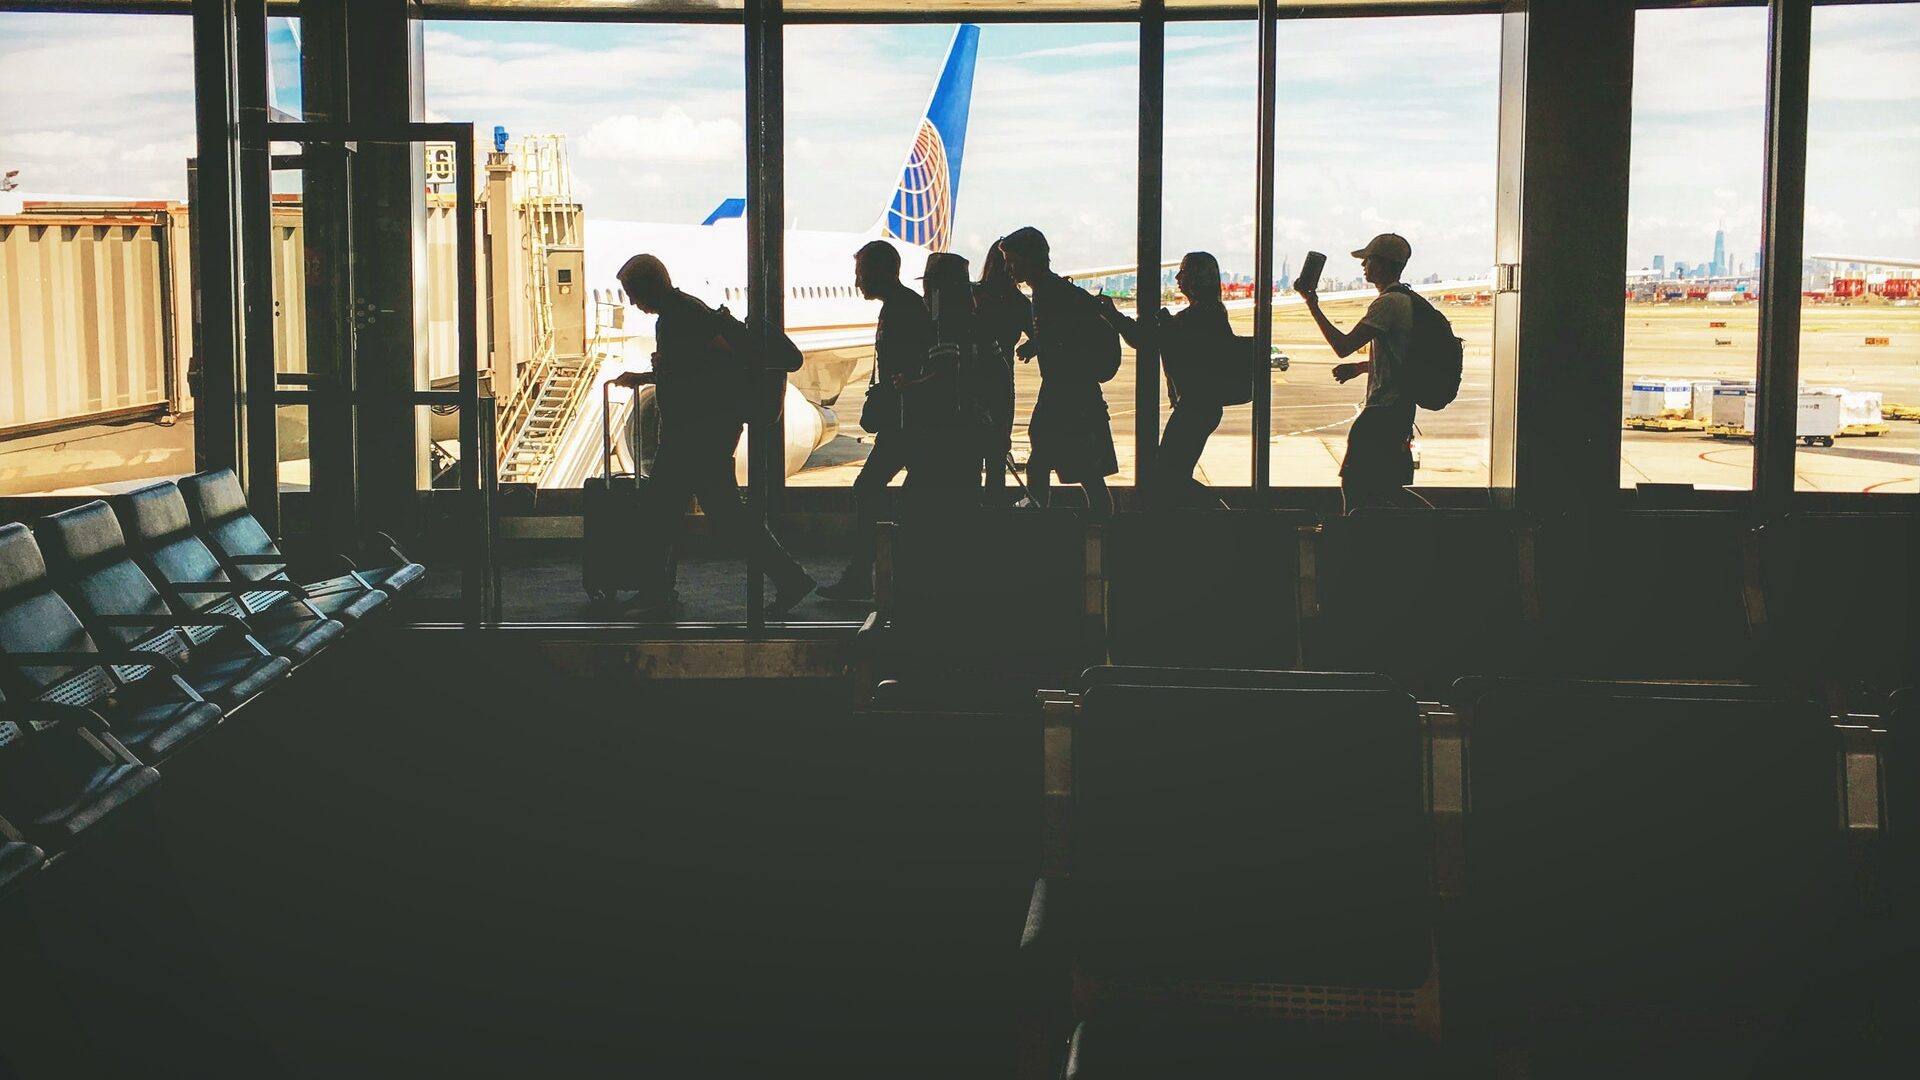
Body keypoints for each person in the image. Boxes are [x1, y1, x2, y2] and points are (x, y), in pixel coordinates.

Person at [609, 254, 815, 616]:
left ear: (648, 287)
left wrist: (662, 375)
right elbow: (694, 370)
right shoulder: (684, 313)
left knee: (666, 512)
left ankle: (658, 591)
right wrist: (647, 377)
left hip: (695, 434)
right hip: (702, 431)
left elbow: (704, 374)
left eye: (633, 293)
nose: (632, 302)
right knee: (710, 514)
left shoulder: (681, 318)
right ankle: (787, 578)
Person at [818, 240, 935, 602]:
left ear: (884, 272)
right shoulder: (898, 308)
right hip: (901, 423)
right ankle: (878, 573)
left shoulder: (906, 310)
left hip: (910, 424)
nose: (858, 283)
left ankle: (871, 574)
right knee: (885, 494)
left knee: (871, 490)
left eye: (862, 273)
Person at [1299, 232, 1434, 514]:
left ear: (1383, 264)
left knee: (1354, 484)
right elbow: (1398, 357)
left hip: (1381, 413)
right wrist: (1361, 368)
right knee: (1386, 489)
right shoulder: (1406, 300)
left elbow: (1343, 346)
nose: (1363, 266)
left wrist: (1312, 304)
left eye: (1368, 260)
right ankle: (1435, 524)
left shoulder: (1388, 303)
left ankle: (1358, 540)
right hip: (1399, 411)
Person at [1097, 251, 1237, 509]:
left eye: (1183, 272)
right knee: (1173, 475)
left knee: (1168, 477)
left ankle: (1223, 514)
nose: (1178, 277)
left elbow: (1143, 339)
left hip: (1197, 406)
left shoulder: (1199, 315)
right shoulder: (1210, 312)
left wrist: (1113, 315)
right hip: (1200, 406)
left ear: (1195, 278)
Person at [998, 226, 1118, 519]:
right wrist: (1037, 345)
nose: (1008, 268)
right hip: (1065, 390)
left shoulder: (1049, 294)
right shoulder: (1051, 292)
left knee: (1061, 465)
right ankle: (1081, 525)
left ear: (1030, 260)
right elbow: (1063, 333)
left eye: (1012, 261)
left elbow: (1064, 335)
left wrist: (1042, 346)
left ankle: (1046, 523)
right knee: (1071, 466)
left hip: (1068, 393)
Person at [915, 250, 992, 498]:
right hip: (972, 425)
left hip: (947, 429)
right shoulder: (976, 323)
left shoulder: (943, 326)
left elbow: (945, 373)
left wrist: (910, 383)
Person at [972, 242, 1030, 505]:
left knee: (973, 456)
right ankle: (994, 515)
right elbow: (1043, 335)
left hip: (973, 382)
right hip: (1001, 383)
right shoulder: (1018, 302)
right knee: (996, 457)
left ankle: (973, 513)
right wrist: (1033, 346)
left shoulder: (974, 296)